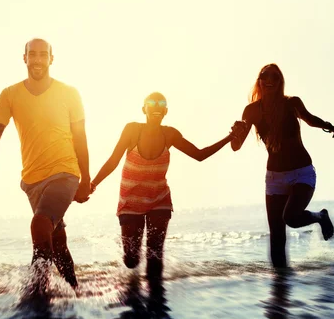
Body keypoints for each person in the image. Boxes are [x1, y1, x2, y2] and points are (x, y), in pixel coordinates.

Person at [0, 38, 91, 294]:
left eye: (42, 54)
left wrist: (86, 179)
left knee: (39, 224)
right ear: (24, 58)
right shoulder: (10, 94)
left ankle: (37, 292)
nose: (37, 60)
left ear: (51, 58)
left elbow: (80, 137)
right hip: (32, 180)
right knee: (57, 242)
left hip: (65, 172)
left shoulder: (69, 93)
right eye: (32, 54)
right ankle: (74, 291)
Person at [90, 92, 237, 284]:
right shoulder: (132, 130)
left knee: (155, 254)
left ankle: (156, 304)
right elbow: (112, 161)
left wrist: (230, 137)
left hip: (159, 199)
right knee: (131, 260)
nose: (156, 106)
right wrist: (92, 184)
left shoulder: (170, 134)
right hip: (130, 200)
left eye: (161, 104)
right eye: (151, 103)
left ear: (165, 111)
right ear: (144, 109)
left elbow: (200, 155)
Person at [231, 63, 334, 268]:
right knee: (276, 237)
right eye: (265, 76)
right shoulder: (252, 111)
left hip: (301, 173)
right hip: (274, 178)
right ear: (259, 81)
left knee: (291, 217)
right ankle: (280, 288)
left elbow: (310, 120)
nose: (269, 80)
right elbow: (236, 147)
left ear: (280, 81)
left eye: (275, 76)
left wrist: (328, 126)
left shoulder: (291, 103)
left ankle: (320, 216)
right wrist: (235, 133)